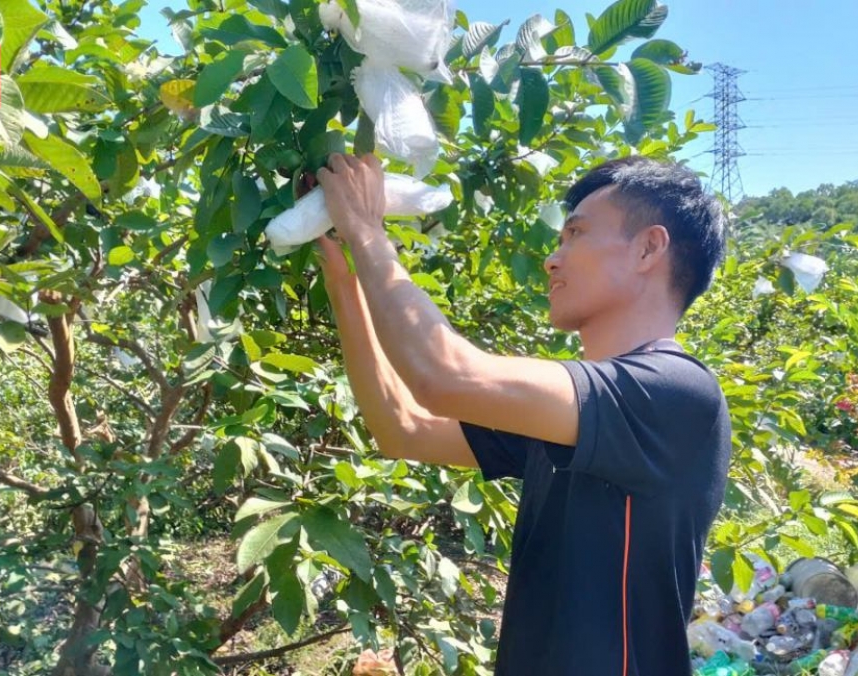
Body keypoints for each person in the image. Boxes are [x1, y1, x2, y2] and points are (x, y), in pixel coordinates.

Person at [314, 152, 732, 676]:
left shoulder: (677, 392)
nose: (553, 259)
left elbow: (446, 377)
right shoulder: (570, 415)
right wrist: (345, 282)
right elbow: (405, 428)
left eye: (576, 234)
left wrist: (366, 230)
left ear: (648, 248)